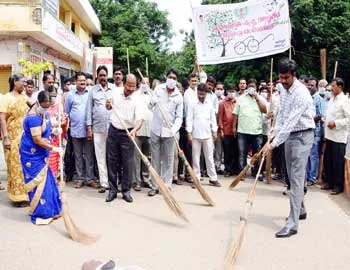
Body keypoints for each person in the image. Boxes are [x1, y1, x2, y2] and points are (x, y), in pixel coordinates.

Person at [264, 59, 315, 238]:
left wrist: (273, 144)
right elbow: (282, 116)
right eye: (281, 77)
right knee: (291, 177)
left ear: (293, 75)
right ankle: (300, 209)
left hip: (303, 136)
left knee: (296, 178)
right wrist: (272, 133)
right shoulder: (282, 90)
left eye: (286, 77)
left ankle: (292, 224)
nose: (283, 80)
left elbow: (292, 121)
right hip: (289, 136)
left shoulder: (301, 93)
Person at [19, 90, 62, 225]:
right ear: (39, 102)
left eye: (48, 106)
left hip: (41, 152)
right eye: (44, 106)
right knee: (38, 183)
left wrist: (55, 130)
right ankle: (41, 213)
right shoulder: (33, 117)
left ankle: (52, 209)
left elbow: (46, 128)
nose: (46, 109)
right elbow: (37, 140)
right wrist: (53, 148)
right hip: (32, 154)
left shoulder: (43, 112)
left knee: (48, 181)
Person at [105, 74, 144, 203]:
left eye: (133, 86)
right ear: (124, 83)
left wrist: (134, 130)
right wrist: (108, 105)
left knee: (127, 164)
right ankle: (112, 190)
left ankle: (126, 191)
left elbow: (140, 119)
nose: (131, 89)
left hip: (128, 134)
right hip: (114, 131)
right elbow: (108, 106)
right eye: (129, 86)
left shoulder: (138, 99)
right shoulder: (115, 93)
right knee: (112, 161)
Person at [148, 68, 183, 196]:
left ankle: (167, 185)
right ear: (166, 77)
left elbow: (179, 117)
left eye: (174, 78)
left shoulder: (179, 96)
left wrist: (173, 130)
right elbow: (149, 106)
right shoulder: (158, 89)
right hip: (156, 129)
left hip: (170, 132)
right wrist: (153, 101)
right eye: (170, 77)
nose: (172, 80)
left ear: (176, 80)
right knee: (155, 160)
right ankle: (154, 186)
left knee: (168, 159)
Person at [0, 74, 29, 206]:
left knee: (24, 165)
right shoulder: (6, 98)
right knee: (14, 166)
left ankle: (26, 194)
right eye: (22, 82)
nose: (24, 84)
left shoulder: (24, 97)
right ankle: (17, 197)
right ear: (15, 82)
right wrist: (6, 137)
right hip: (11, 137)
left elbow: (34, 106)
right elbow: (2, 118)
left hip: (25, 138)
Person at [65, 72, 97, 189]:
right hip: (75, 130)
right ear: (75, 82)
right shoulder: (70, 95)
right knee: (78, 156)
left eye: (84, 80)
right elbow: (67, 111)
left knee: (89, 155)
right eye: (80, 80)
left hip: (88, 130)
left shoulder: (90, 93)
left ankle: (90, 178)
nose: (83, 82)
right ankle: (80, 178)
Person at [186, 83, 221, 187]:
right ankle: (196, 179)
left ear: (206, 93)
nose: (201, 96)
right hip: (195, 135)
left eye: (203, 94)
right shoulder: (192, 103)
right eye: (199, 94)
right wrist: (189, 133)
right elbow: (189, 119)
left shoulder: (209, 103)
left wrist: (214, 131)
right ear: (197, 93)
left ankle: (213, 178)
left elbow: (213, 119)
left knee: (209, 157)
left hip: (207, 135)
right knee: (195, 158)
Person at [87, 65, 114, 193]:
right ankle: (104, 183)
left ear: (107, 76)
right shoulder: (92, 91)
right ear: (97, 77)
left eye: (104, 75)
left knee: (112, 156)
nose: (103, 77)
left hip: (112, 128)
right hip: (97, 129)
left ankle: (113, 182)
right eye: (100, 75)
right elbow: (88, 110)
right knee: (100, 156)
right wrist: (89, 128)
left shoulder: (113, 89)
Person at [233, 78, 267, 179]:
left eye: (253, 87)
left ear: (256, 88)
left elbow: (264, 110)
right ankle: (242, 173)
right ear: (247, 87)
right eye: (250, 86)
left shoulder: (260, 98)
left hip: (256, 131)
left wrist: (256, 98)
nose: (251, 88)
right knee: (242, 153)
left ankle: (256, 172)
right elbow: (235, 114)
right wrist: (234, 128)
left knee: (257, 154)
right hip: (242, 131)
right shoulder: (241, 98)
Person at [322, 78, 350, 195]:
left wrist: (336, 123)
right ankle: (329, 182)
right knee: (328, 160)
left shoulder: (344, 100)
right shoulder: (332, 99)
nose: (331, 88)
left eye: (333, 86)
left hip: (339, 136)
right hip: (329, 135)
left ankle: (338, 186)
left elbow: (348, 119)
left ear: (340, 87)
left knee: (337, 162)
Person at [132, 76, 153, 191]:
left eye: (147, 82)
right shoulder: (135, 96)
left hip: (150, 130)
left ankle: (146, 179)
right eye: (143, 82)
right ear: (140, 83)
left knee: (148, 156)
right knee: (136, 157)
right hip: (138, 130)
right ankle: (137, 181)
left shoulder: (152, 95)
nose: (145, 84)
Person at [306, 77, 325, 186]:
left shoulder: (318, 99)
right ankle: (307, 175)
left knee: (313, 155)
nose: (310, 87)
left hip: (315, 130)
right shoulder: (307, 97)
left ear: (316, 86)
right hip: (307, 129)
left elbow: (321, 115)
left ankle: (312, 177)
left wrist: (311, 118)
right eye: (309, 84)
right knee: (307, 154)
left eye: (312, 85)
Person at [47, 86, 68, 179]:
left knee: (56, 157)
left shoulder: (59, 106)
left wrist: (58, 125)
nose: (52, 98)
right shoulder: (44, 106)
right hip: (46, 137)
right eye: (50, 96)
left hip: (57, 137)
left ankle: (55, 177)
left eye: (54, 96)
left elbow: (64, 120)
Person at [218, 84, 238, 177]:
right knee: (227, 151)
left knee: (235, 150)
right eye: (230, 91)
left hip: (236, 131)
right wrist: (221, 130)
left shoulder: (237, 102)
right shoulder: (222, 103)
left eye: (233, 91)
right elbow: (220, 118)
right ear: (227, 92)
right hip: (226, 130)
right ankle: (227, 169)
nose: (231, 93)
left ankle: (234, 169)